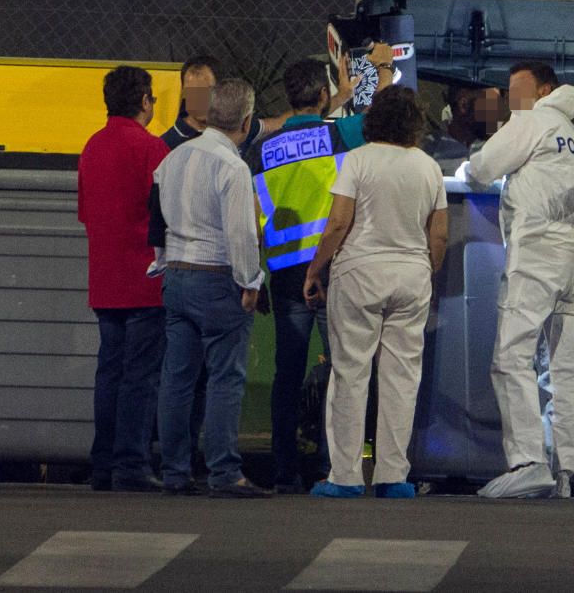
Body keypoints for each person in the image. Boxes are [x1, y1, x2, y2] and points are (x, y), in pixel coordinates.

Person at [244, 47, 393, 494]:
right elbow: (383, 115)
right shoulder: (340, 135)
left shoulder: (262, 149)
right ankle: (334, 468)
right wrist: (381, 68)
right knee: (343, 372)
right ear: (325, 95)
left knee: (286, 378)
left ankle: (285, 470)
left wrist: (258, 275)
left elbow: (251, 219)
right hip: (331, 270)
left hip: (286, 275)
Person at [456, 62, 574, 499]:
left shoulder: (531, 122)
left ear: (544, 90)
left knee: (512, 356)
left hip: (535, 250)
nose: (512, 99)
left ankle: (527, 462)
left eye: (519, 90)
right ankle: (562, 469)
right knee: (561, 365)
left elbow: (481, 168)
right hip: (572, 257)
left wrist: (470, 167)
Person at [303, 85, 448, 499]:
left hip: (359, 274)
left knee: (350, 373)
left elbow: (337, 225)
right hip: (411, 275)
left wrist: (316, 269)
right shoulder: (428, 167)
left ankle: (345, 476)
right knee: (402, 378)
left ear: (374, 120)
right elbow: (438, 235)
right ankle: (392, 476)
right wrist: (427, 270)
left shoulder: (358, 160)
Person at [152, 78, 268, 498]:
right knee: (224, 378)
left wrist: (163, 265)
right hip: (216, 278)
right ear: (247, 120)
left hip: (176, 275)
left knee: (177, 379)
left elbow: (158, 221)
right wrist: (251, 282)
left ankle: (175, 471)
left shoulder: (174, 158)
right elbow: (241, 235)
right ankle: (224, 471)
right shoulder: (233, 167)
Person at [77, 65, 169, 492]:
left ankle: (103, 461)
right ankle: (132, 462)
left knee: (108, 372)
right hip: (145, 279)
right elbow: (165, 214)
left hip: (104, 277)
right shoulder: (152, 149)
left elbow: (85, 214)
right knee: (141, 376)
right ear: (145, 101)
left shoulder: (91, 148)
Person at [161, 55, 291, 156]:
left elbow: (275, 124)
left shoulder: (236, 127)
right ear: (183, 92)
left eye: (206, 91)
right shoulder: (167, 145)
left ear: (221, 91)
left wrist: (307, 109)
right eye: (193, 91)